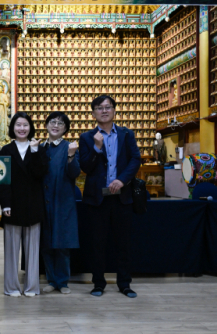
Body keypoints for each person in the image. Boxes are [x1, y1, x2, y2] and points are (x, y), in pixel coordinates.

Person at [79, 95, 141, 298]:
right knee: (97, 243)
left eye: (108, 107)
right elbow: (85, 167)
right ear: (93, 113)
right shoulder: (87, 137)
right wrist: (97, 148)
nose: (104, 111)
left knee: (123, 243)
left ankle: (125, 283)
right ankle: (98, 283)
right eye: (99, 107)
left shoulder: (126, 134)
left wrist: (122, 180)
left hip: (122, 197)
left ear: (114, 110)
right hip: (97, 199)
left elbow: (135, 159)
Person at [0, 112, 47, 297]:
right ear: (13, 128)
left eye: (25, 125)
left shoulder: (38, 148)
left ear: (30, 127)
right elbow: (3, 180)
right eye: (18, 125)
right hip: (13, 205)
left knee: (33, 250)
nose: (22, 128)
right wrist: (6, 205)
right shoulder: (6, 150)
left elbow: (40, 173)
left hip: (34, 204)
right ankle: (11, 287)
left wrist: (34, 152)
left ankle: (32, 287)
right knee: (11, 250)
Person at [40, 111, 80, 295]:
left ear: (65, 129)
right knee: (46, 243)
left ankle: (63, 282)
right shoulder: (39, 147)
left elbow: (74, 174)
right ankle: (51, 280)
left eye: (60, 124)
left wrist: (71, 156)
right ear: (46, 125)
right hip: (43, 201)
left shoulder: (69, 147)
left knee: (62, 243)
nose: (55, 125)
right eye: (52, 122)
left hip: (62, 201)